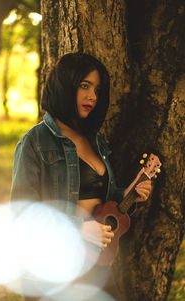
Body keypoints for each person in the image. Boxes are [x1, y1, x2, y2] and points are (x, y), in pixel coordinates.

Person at [10, 52, 151, 299]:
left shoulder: (95, 141)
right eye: (84, 86)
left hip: (97, 266)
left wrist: (132, 195)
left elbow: (104, 201)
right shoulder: (34, 142)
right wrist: (79, 229)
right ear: (65, 85)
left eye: (97, 89)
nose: (92, 97)